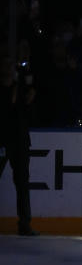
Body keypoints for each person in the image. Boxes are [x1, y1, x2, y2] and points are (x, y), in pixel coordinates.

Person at [0, 57, 37, 236]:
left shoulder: (20, 87)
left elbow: (28, 110)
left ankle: (25, 223)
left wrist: (29, 99)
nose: (8, 68)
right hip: (2, 140)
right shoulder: (6, 89)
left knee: (22, 182)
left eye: (9, 65)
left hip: (20, 140)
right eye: (5, 65)